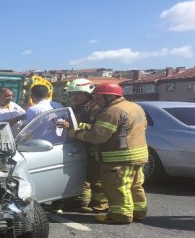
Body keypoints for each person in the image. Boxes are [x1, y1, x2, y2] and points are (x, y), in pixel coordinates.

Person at [64, 82, 148, 224]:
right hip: (139, 155)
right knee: (135, 186)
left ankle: (120, 215)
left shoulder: (111, 111)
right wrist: (84, 126)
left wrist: (76, 134)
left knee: (117, 186)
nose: (95, 101)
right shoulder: (135, 107)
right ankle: (139, 212)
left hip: (119, 158)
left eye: (98, 98)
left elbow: (98, 136)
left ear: (110, 97)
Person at [54, 79, 108, 213]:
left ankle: (100, 205)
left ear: (88, 94)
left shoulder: (96, 109)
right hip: (78, 147)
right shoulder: (73, 108)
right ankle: (80, 203)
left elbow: (97, 129)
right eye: (72, 94)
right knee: (81, 177)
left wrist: (72, 126)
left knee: (96, 179)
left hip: (94, 148)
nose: (75, 97)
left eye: (78, 94)